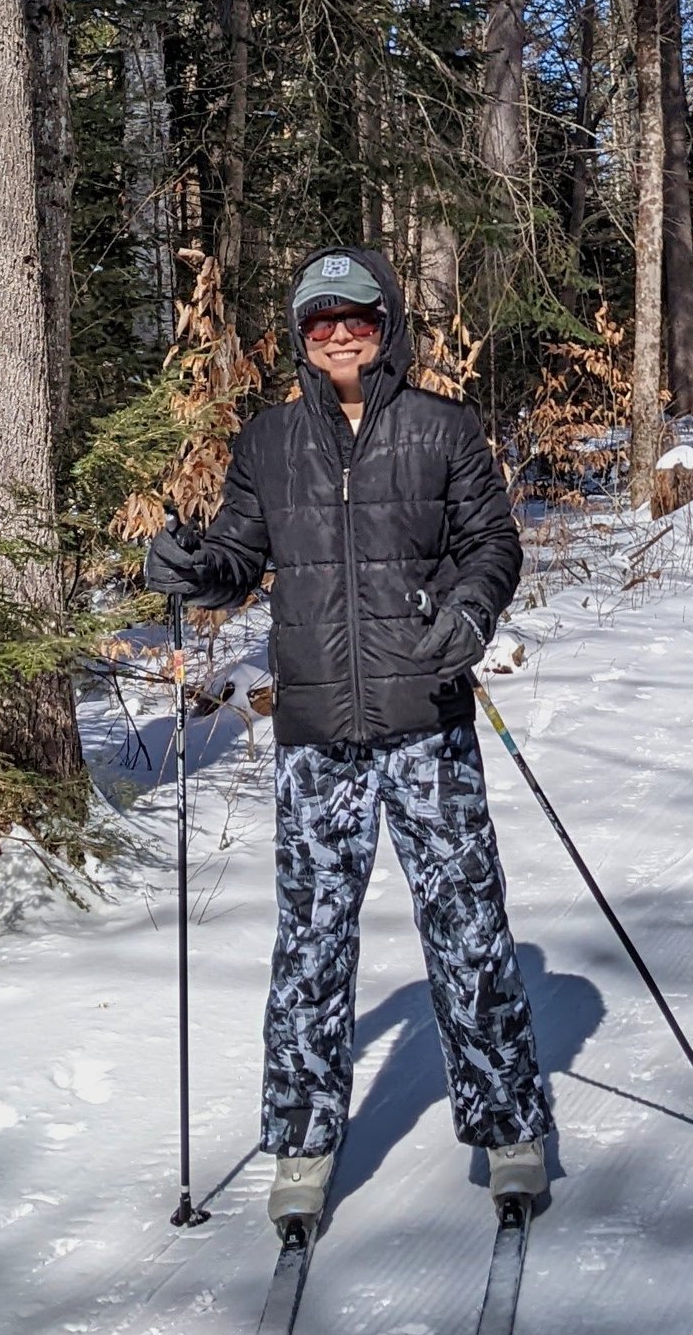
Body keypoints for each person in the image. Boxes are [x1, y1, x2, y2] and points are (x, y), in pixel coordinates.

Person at [144, 246, 552, 1234]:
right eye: (319, 319)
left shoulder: (443, 431)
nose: (338, 333)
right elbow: (241, 557)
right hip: (318, 732)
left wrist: (466, 613)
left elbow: (490, 545)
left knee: (466, 927)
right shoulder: (270, 442)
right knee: (312, 945)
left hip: (426, 723)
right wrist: (192, 566)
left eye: (356, 317)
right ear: (298, 335)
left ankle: (509, 1133)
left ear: (388, 325)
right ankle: (302, 1147)